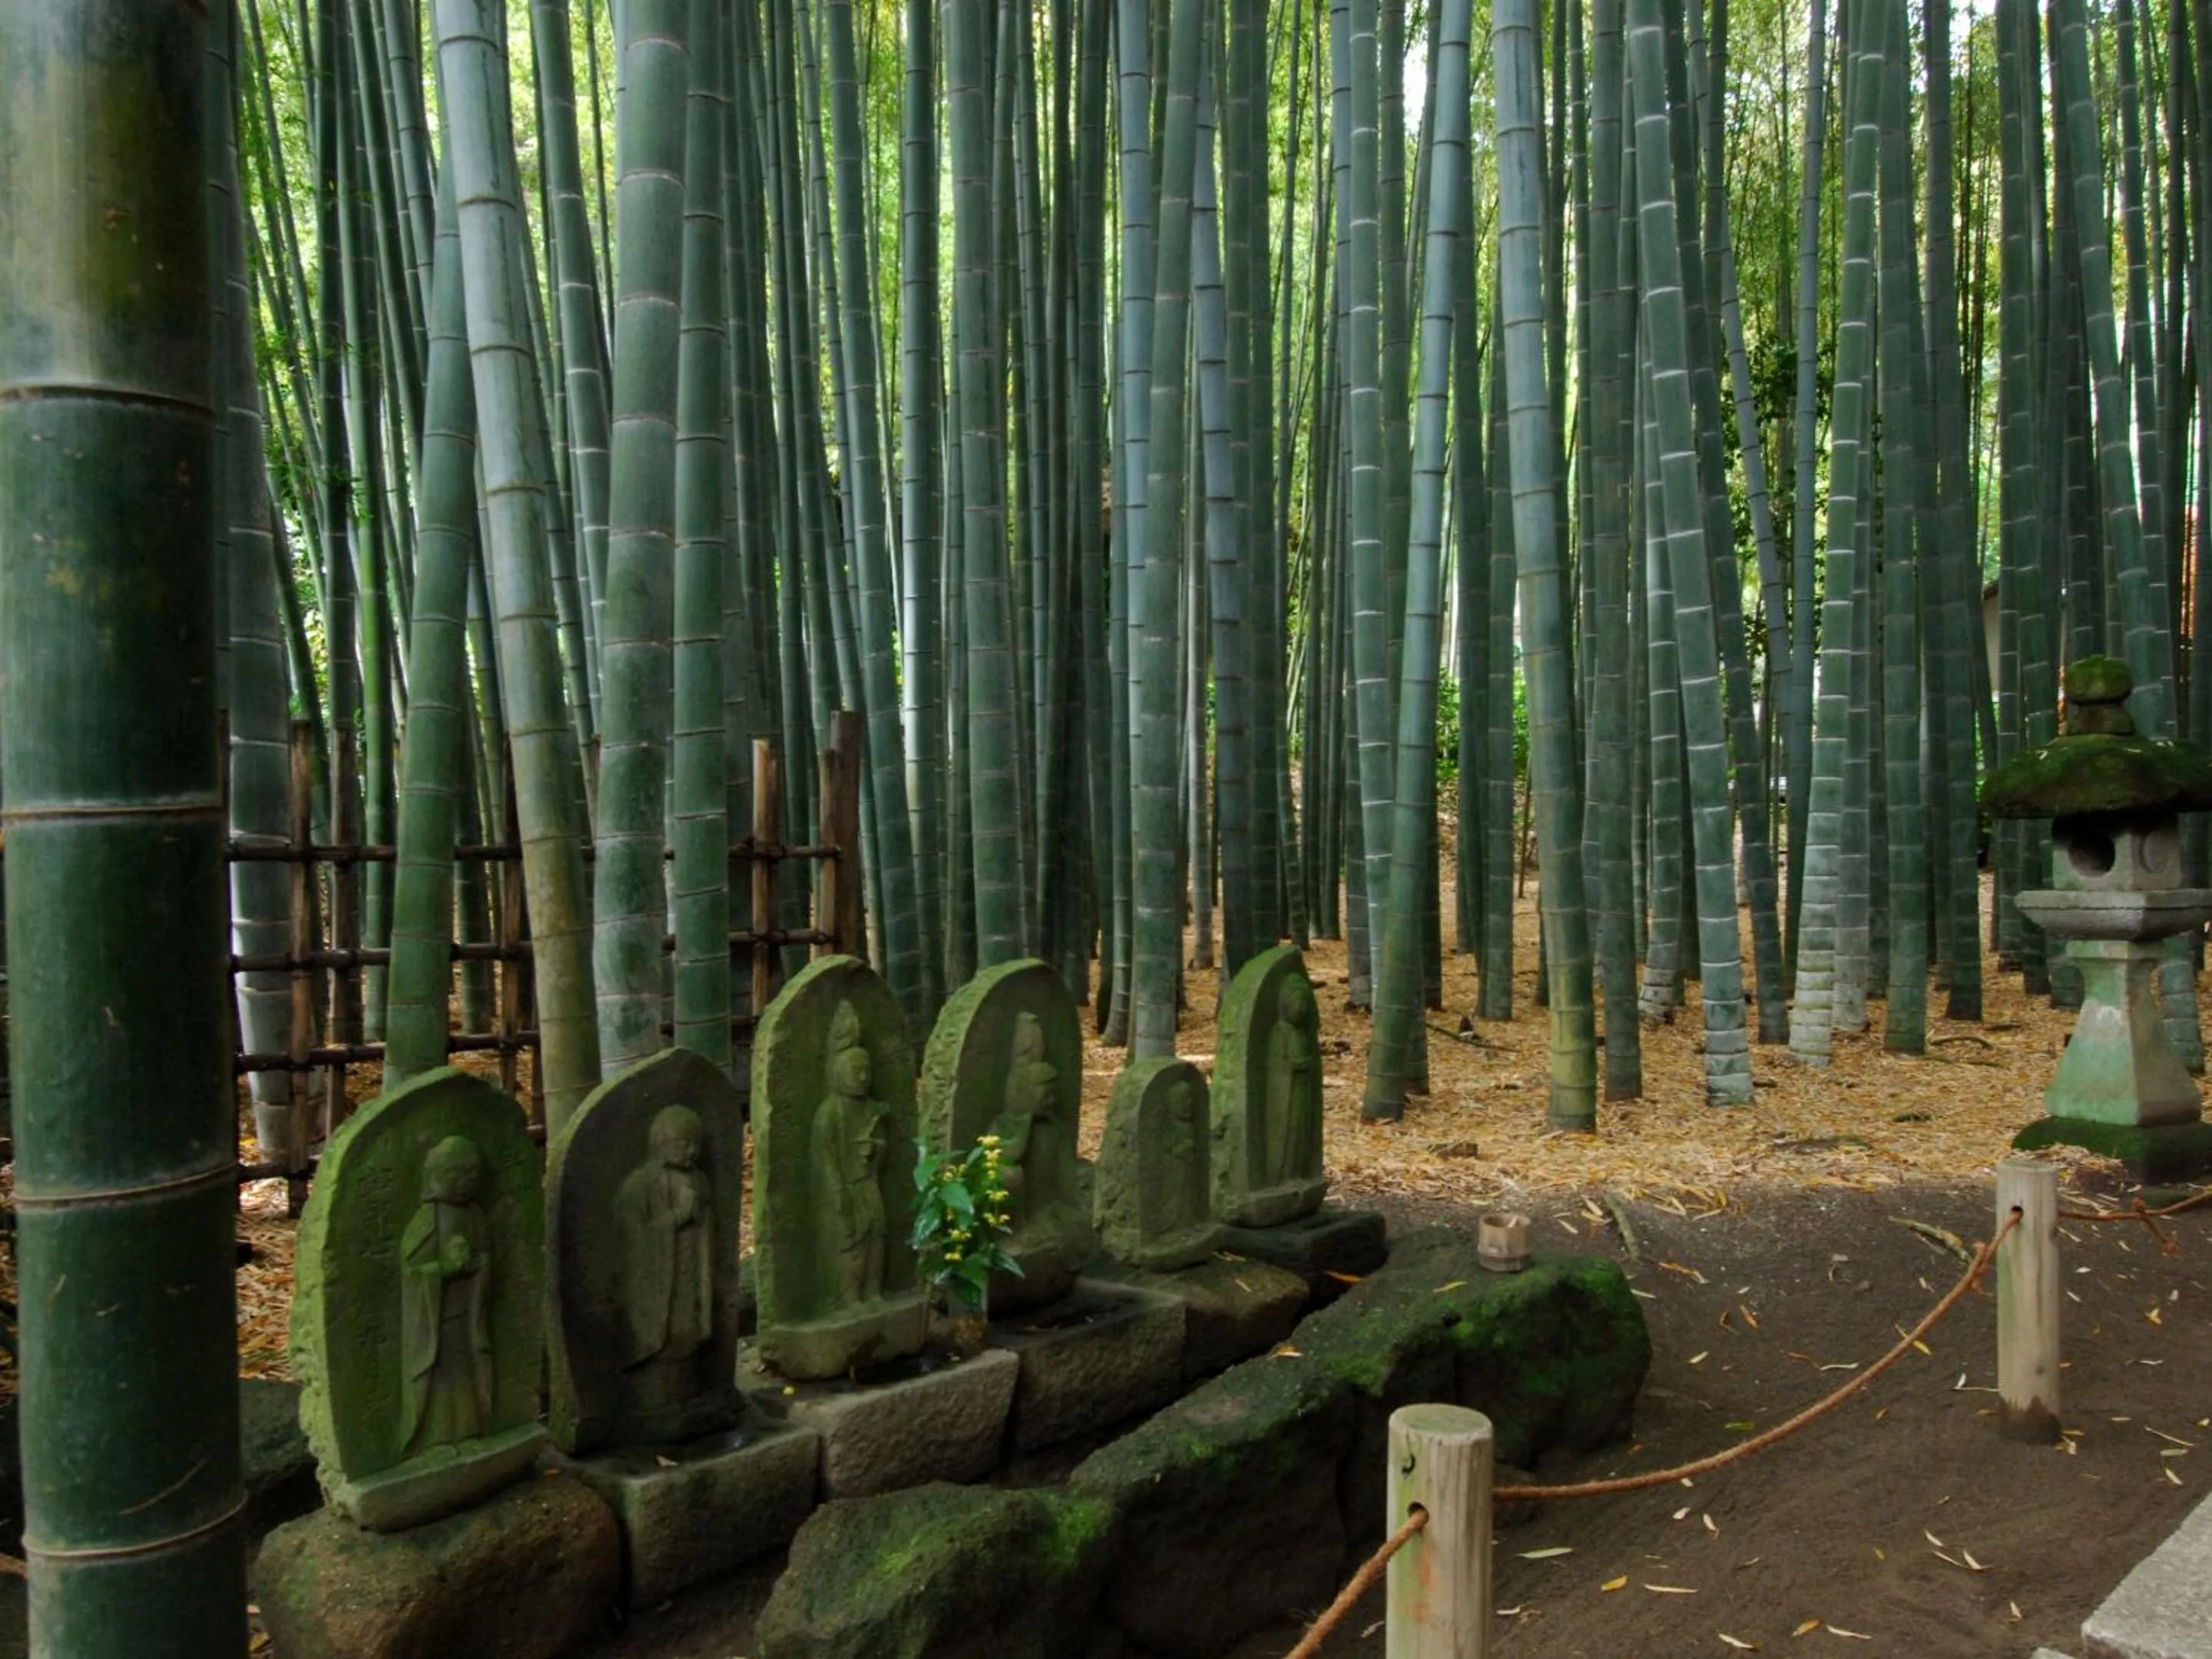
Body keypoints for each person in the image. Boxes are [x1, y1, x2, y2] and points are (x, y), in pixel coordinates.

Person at [616, 1104, 717, 1419]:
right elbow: (633, 1241)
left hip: (689, 1274)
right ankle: (656, 1404)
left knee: (687, 1334)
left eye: (696, 1145)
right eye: (683, 1143)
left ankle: (687, 1399)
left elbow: (708, 1230)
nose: (691, 1151)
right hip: (658, 1283)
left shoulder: (698, 1180)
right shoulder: (640, 1185)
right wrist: (677, 1217)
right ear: (660, 1142)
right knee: (667, 1339)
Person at [399, 1135, 494, 1458]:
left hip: (466, 1316)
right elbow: (412, 1271)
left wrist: (478, 1265)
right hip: (435, 1319)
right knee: (440, 1378)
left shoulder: (476, 1216)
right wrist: (446, 1268)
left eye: (471, 1176)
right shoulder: (429, 1218)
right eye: (455, 1175)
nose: (465, 1184)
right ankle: (437, 1440)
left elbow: (487, 1258)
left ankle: (468, 1431)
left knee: (465, 1377)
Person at [812, 1000, 888, 1310]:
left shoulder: (872, 1109)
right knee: (850, 1244)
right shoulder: (830, 1113)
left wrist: (875, 1153)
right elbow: (824, 1156)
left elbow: (883, 1147)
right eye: (855, 1071)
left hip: (868, 1183)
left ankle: (873, 1291)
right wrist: (837, 1189)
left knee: (877, 1239)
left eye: (866, 1071)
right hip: (843, 1189)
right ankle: (849, 1297)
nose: (862, 1077)